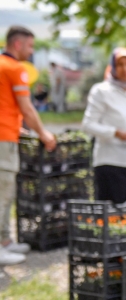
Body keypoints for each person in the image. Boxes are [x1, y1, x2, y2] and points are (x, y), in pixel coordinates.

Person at [0, 26, 56, 265]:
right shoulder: (15, 68)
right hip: (3, 139)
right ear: (17, 45)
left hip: (8, 132)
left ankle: (5, 241)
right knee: (2, 193)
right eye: (31, 46)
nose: (32, 51)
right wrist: (43, 133)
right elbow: (26, 107)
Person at [82, 48, 126, 204]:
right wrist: (115, 133)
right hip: (111, 161)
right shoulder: (101, 91)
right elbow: (88, 125)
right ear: (113, 67)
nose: (125, 69)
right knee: (114, 214)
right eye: (120, 65)